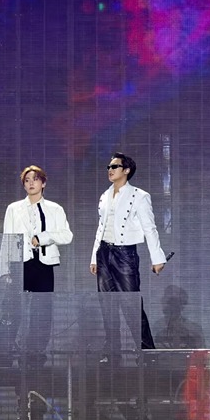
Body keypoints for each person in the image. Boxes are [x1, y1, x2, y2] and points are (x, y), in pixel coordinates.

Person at [90, 153, 166, 357]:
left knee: (131, 304)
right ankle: (112, 352)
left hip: (124, 253)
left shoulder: (139, 196)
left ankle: (147, 352)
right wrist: (94, 257)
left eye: (114, 166)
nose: (110, 170)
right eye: (109, 167)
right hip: (104, 252)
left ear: (126, 170)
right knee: (107, 305)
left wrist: (157, 258)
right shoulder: (105, 195)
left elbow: (150, 228)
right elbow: (101, 227)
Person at [0, 165, 73, 365]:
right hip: (19, 263)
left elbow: (67, 235)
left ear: (43, 183)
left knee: (42, 310)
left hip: (44, 265)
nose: (31, 183)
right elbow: (7, 238)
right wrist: (5, 269)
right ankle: (4, 354)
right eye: (27, 180)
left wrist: (43, 238)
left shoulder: (55, 209)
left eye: (35, 179)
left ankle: (35, 354)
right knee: (12, 309)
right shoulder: (13, 208)